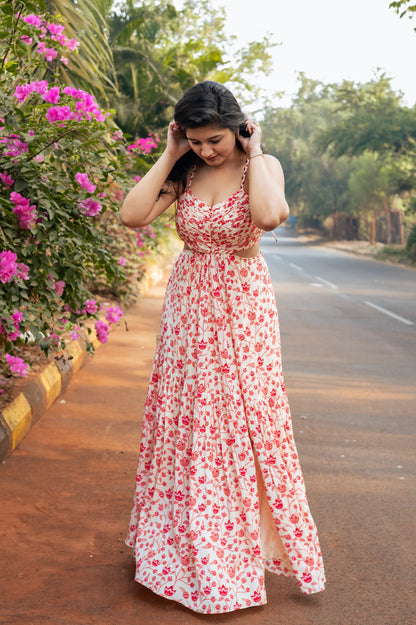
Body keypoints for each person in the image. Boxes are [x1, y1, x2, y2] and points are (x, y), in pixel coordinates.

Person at [121, 80, 325, 614]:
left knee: (239, 421)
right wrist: (170, 154)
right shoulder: (184, 170)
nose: (206, 150)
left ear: (237, 126)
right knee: (185, 417)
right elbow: (132, 215)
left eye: (214, 140)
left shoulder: (264, 164)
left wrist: (252, 152)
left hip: (242, 308)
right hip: (188, 309)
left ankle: (230, 552)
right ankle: (173, 544)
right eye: (196, 140)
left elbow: (266, 217)